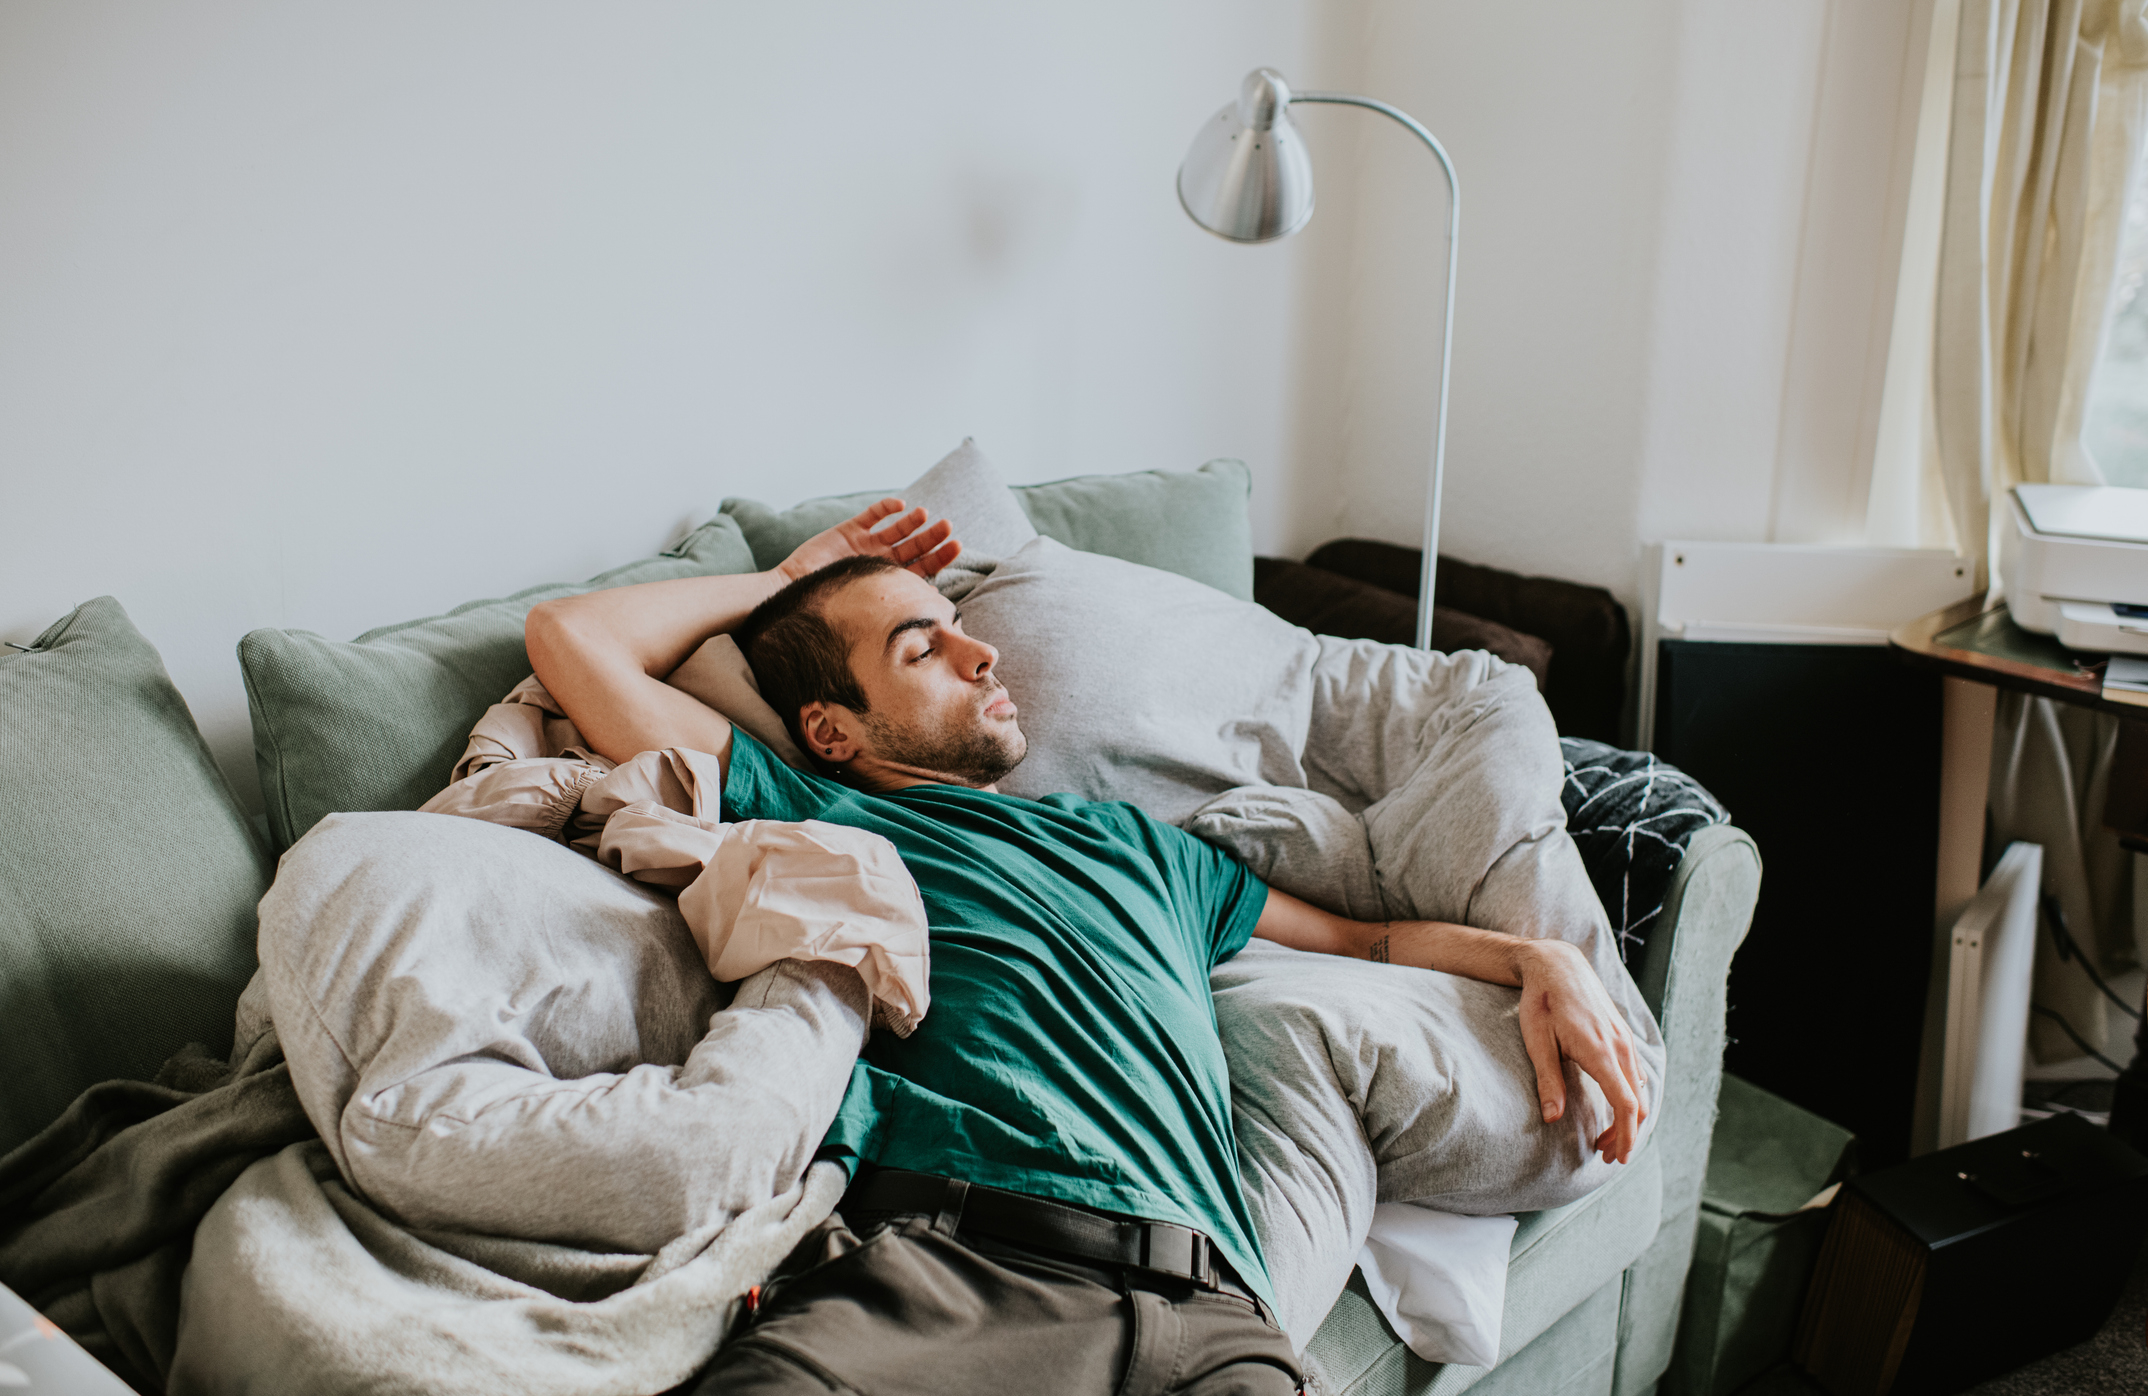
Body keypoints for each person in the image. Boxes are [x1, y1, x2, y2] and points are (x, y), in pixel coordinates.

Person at [527, 499, 1647, 1396]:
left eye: (965, 630)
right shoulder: (820, 817)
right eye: (924, 647)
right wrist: (783, 585)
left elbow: (1374, 939)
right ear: (835, 729)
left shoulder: (1141, 846)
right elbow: (569, 638)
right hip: (961, 1274)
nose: (981, 653)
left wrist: (1539, 960)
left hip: (1215, 1312)